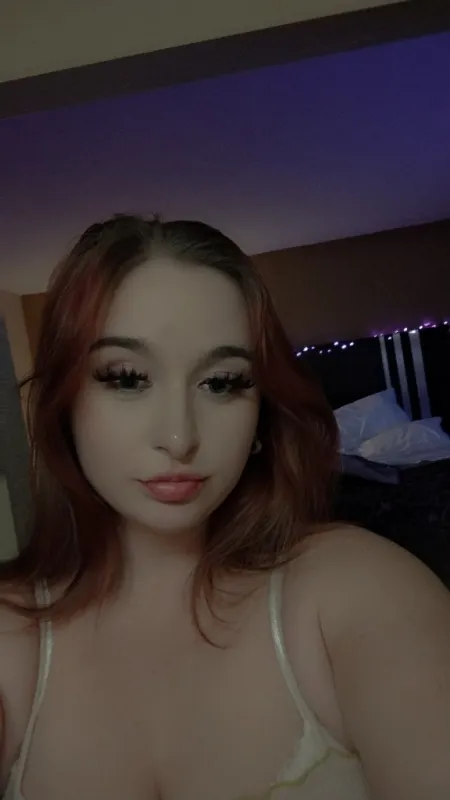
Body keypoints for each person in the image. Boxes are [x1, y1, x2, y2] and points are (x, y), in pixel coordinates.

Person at [0, 215, 449, 800]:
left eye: (221, 383)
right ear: (65, 404)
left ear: (261, 412)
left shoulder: (357, 590)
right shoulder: (12, 634)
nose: (180, 437)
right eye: (127, 378)